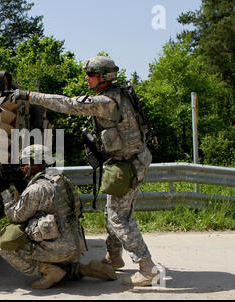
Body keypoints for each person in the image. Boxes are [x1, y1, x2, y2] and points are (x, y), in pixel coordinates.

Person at [10, 56, 158, 287]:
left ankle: (147, 268)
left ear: (103, 77)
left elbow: (67, 104)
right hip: (127, 161)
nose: (86, 79)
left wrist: (29, 96)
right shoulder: (119, 94)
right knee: (113, 212)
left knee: (119, 217)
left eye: (90, 75)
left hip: (128, 165)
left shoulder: (106, 101)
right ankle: (114, 257)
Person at [0, 144, 117, 289]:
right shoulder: (62, 180)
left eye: (25, 163)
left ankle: (50, 271)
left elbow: (15, 216)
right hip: (75, 245)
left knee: (5, 247)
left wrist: (5, 193)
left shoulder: (36, 189)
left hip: (58, 248)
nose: (23, 168)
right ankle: (85, 269)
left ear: (35, 163)